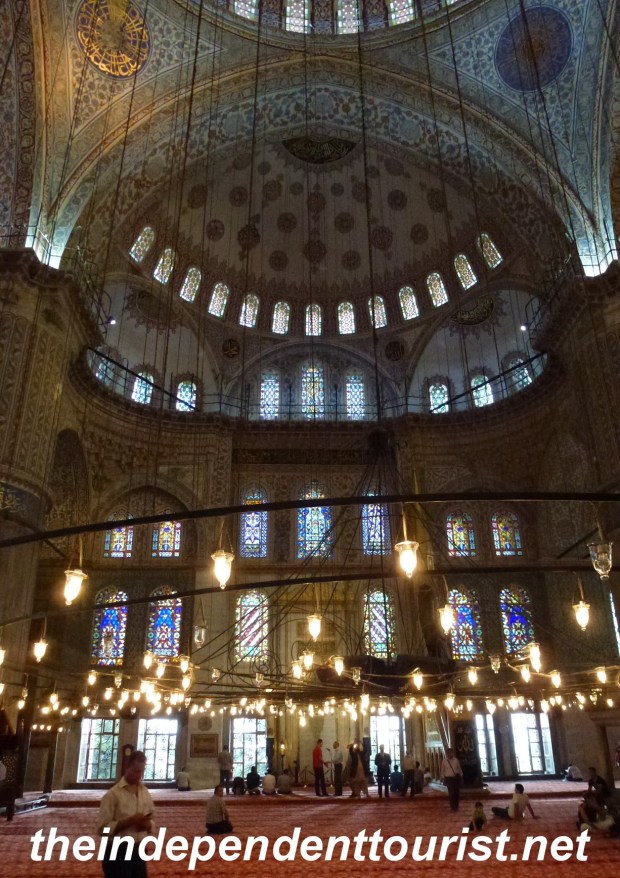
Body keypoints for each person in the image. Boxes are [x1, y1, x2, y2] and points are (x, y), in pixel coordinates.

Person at [98, 750, 154, 878]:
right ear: (126, 767)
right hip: (118, 851)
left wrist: (147, 824)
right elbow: (102, 829)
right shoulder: (112, 795)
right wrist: (131, 821)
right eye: (135, 771)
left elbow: (152, 819)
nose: (138, 775)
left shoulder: (144, 792)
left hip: (139, 849)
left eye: (141, 771)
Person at [440, 747, 463, 812]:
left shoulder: (456, 760)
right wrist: (442, 777)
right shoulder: (444, 761)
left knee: (456, 793)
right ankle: (452, 807)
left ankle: (456, 806)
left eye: (451, 753)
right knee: (451, 793)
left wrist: (461, 776)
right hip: (448, 779)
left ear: (453, 753)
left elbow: (459, 769)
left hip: (455, 778)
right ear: (447, 754)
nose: (450, 754)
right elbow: (442, 770)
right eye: (449, 753)